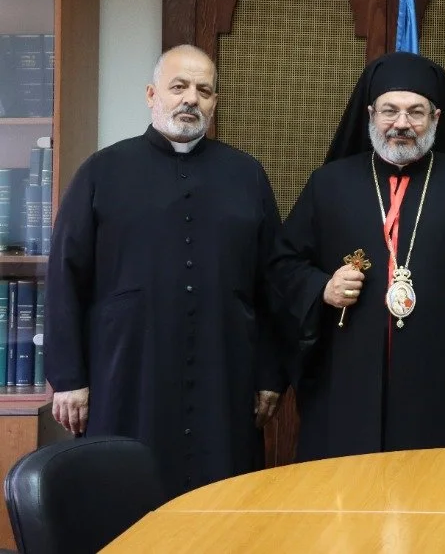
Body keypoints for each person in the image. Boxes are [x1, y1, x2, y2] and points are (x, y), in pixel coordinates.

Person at [45, 45, 285, 497]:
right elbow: (64, 278)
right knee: (122, 497)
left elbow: (272, 283)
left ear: (214, 102)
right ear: (152, 94)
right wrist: (69, 378)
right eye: (179, 87)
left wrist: (271, 375)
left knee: (224, 503)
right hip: (127, 372)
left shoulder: (247, 176)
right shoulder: (102, 171)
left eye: (204, 90)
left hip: (225, 370)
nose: (191, 98)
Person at [267, 52, 445, 460]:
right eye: (390, 110)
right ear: (371, 114)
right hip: (347, 388)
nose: (401, 124)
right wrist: (323, 288)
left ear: (436, 117)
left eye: (415, 112)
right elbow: (282, 267)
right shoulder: (329, 184)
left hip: (444, 394)